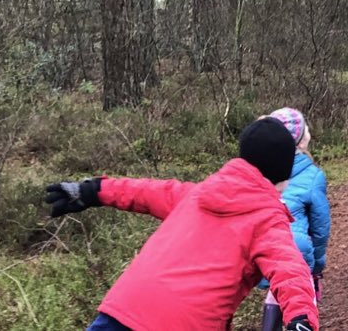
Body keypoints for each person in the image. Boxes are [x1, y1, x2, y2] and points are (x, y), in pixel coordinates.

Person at [44, 118, 319, 331]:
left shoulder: (196, 194)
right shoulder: (268, 219)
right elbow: (291, 271)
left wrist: (93, 190)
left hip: (123, 310)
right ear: (282, 175)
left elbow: (143, 192)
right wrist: (301, 319)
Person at [258, 108, 330, 331]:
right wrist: (318, 263)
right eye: (305, 128)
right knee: (301, 301)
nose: (309, 130)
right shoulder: (313, 175)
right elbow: (320, 227)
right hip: (297, 253)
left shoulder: (261, 168)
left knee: (276, 292)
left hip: (267, 249)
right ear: (300, 141)